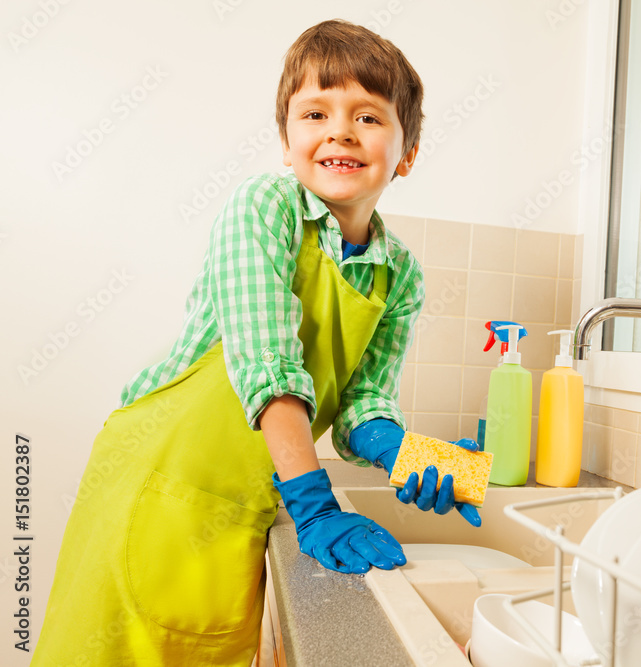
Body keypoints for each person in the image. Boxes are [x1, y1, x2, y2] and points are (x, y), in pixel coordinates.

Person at [33, 19, 478, 666]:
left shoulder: (399, 275)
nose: (340, 131)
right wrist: (314, 505)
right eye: (315, 112)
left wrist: (407, 451)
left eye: (369, 117)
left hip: (242, 514)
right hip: (153, 487)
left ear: (406, 153)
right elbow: (267, 364)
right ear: (286, 141)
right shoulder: (263, 208)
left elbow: (362, 408)